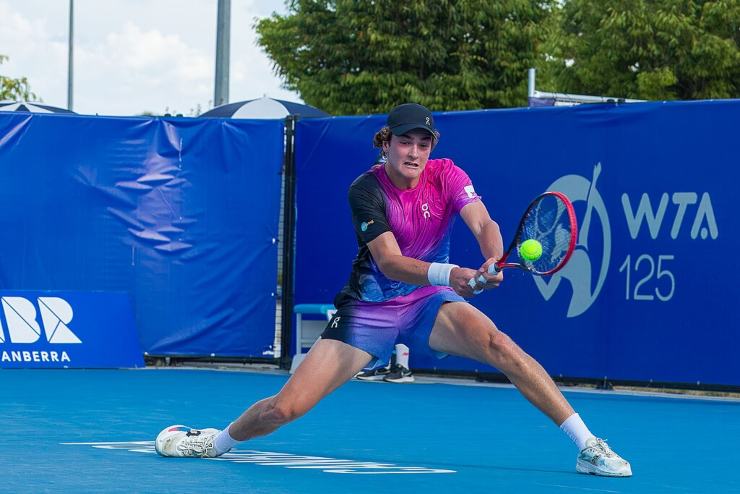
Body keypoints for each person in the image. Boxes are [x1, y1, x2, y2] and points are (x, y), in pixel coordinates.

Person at [155, 103, 632, 477]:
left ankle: (588, 445)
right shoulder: (366, 189)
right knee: (286, 407)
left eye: (423, 143)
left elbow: (483, 220)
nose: (415, 152)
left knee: (500, 345)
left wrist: (490, 258)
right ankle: (215, 442)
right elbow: (389, 261)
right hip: (371, 310)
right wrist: (452, 275)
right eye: (406, 141)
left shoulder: (447, 174)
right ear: (387, 143)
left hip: (427, 304)